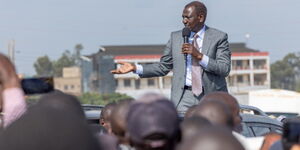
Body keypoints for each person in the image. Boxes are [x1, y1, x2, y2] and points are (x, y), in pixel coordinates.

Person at [111, 1, 231, 112]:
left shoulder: (219, 37)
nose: (184, 21)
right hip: (184, 97)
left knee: (212, 133)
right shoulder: (176, 37)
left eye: (188, 17)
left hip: (211, 96)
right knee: (182, 133)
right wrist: (135, 68)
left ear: (200, 17)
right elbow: (163, 67)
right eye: (183, 17)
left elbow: (224, 69)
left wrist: (199, 56)